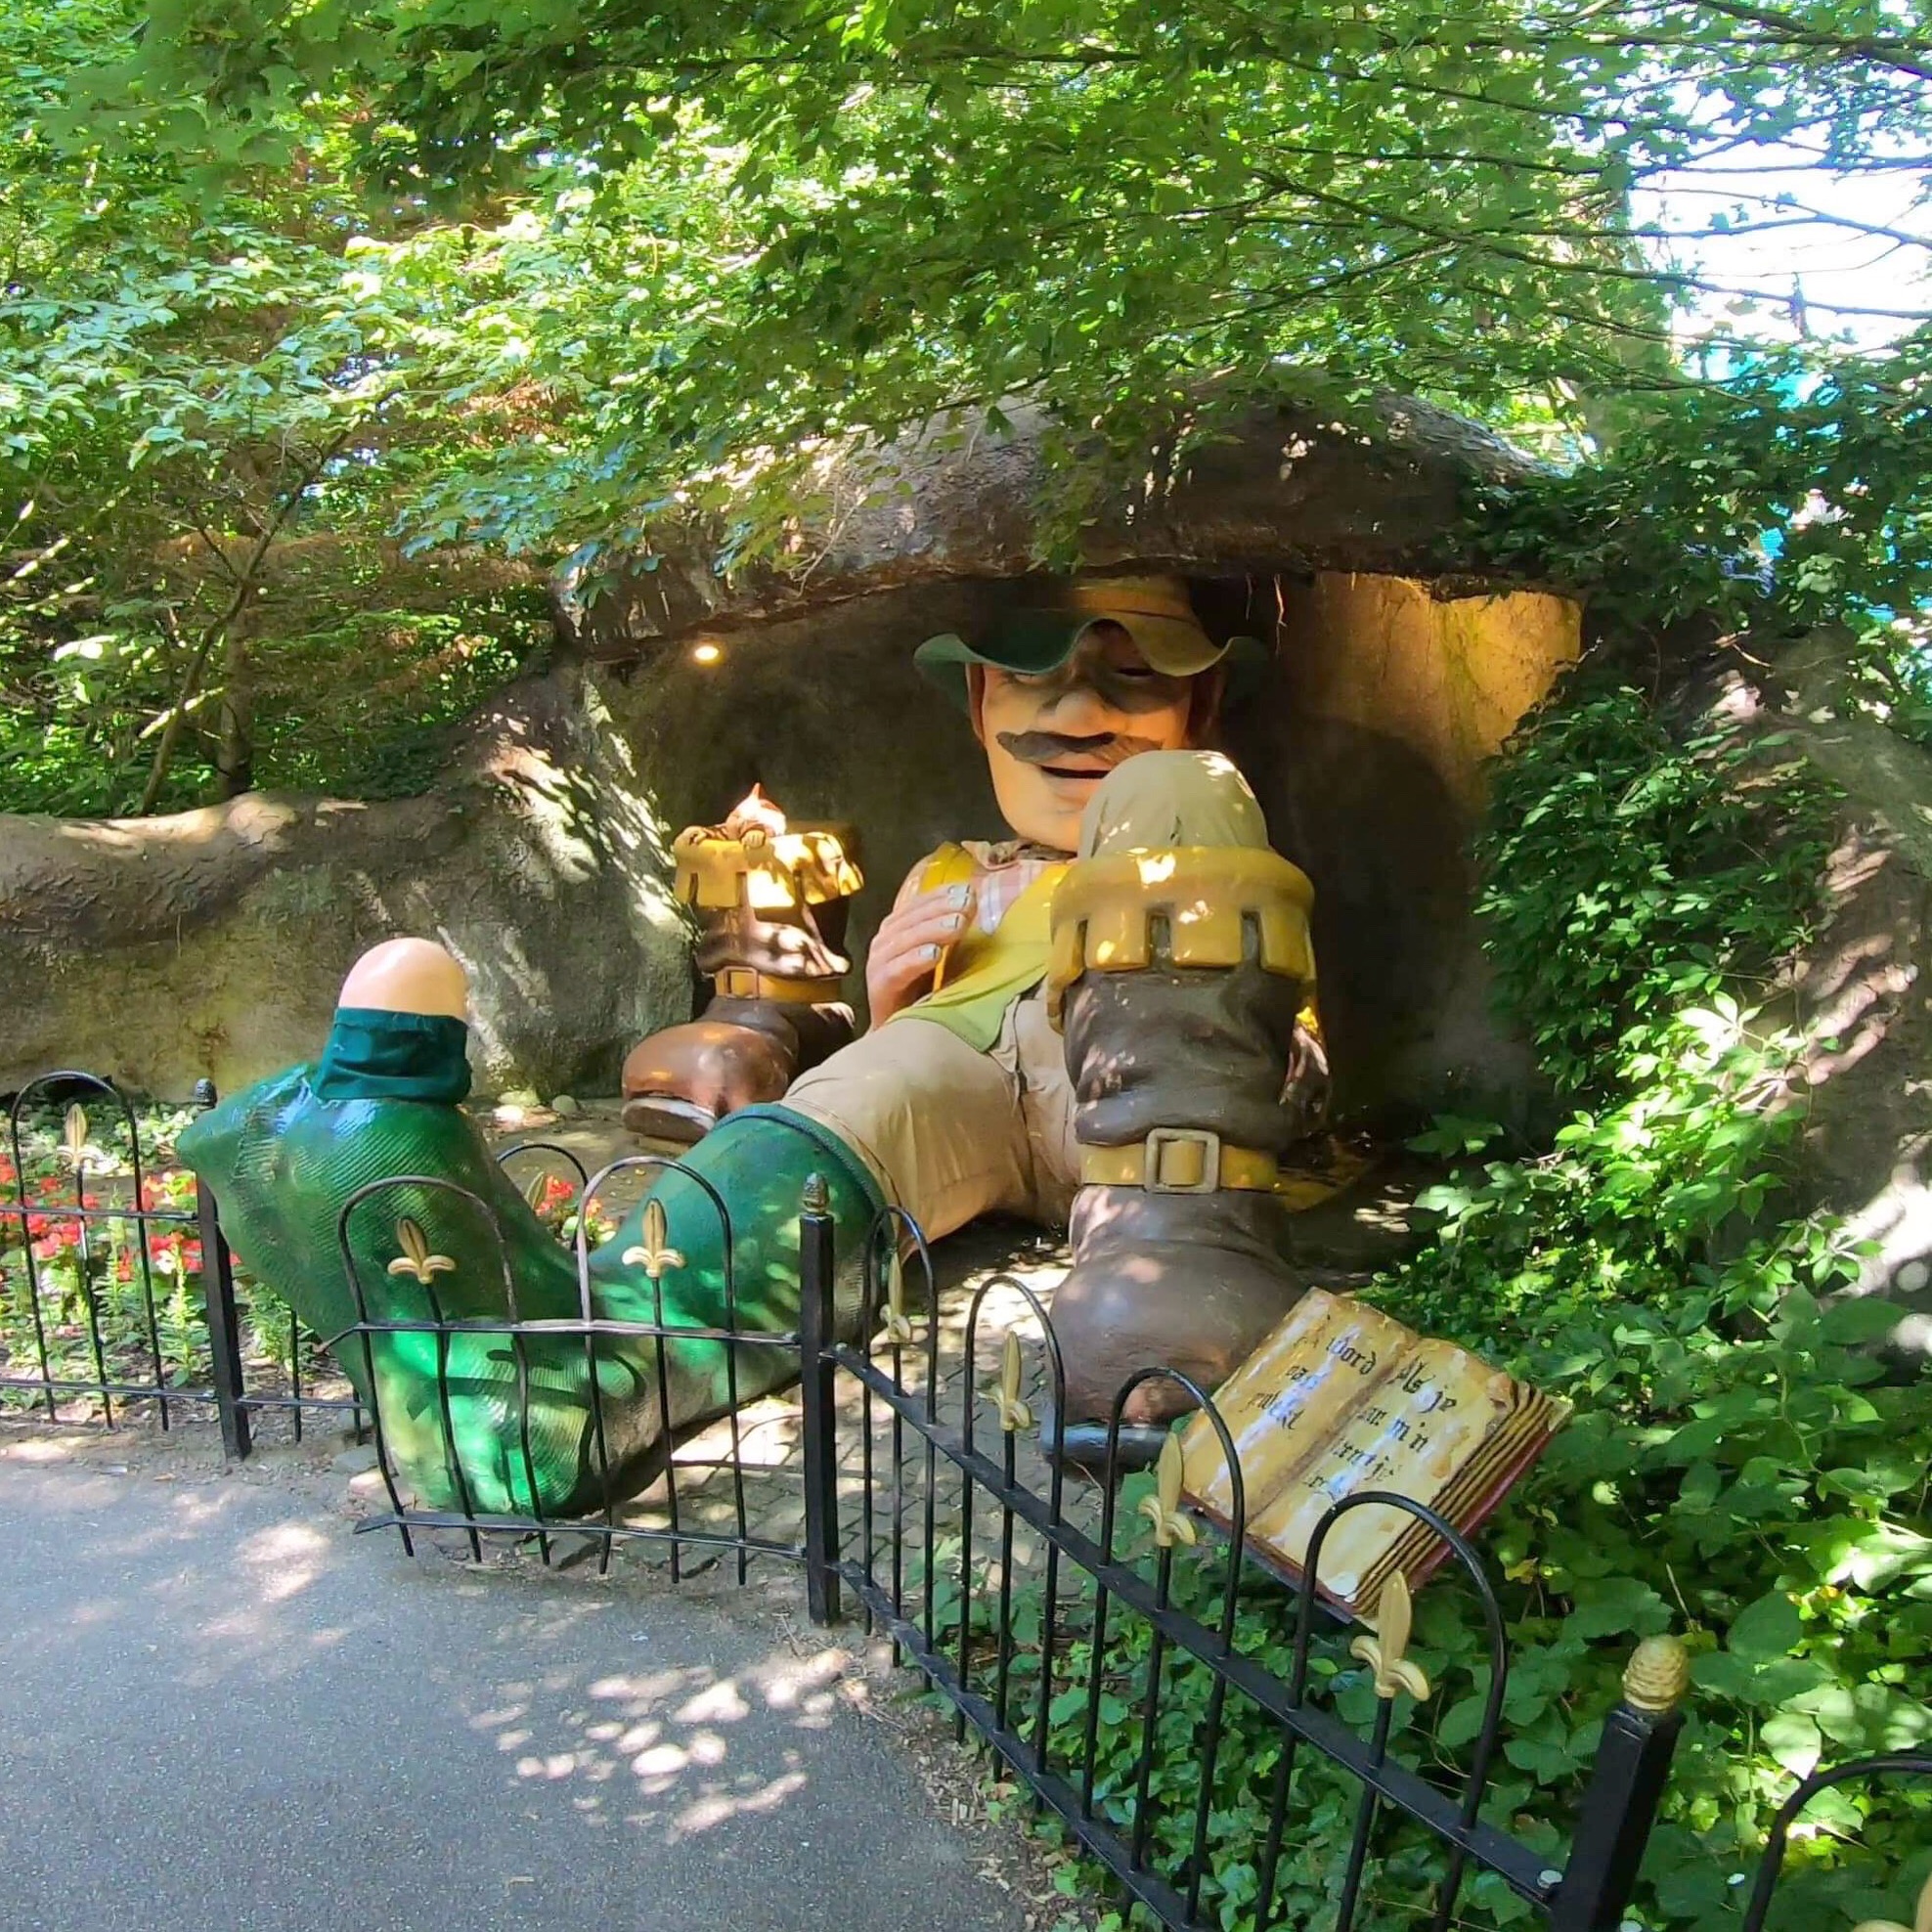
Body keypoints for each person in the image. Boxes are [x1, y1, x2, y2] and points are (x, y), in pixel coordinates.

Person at [179, 576, 1326, 1509]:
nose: (1076, 715)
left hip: (1129, 1100)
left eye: (1136, 676)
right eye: (1033, 676)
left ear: (1202, 699)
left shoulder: (1216, 855)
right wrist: (883, 991)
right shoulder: (953, 867)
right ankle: (559, 1380)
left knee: (1178, 800)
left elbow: (1280, 1061)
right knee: (827, 1125)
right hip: (952, 1065)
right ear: (980, 701)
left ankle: (1176, 1255)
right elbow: (890, 1058)